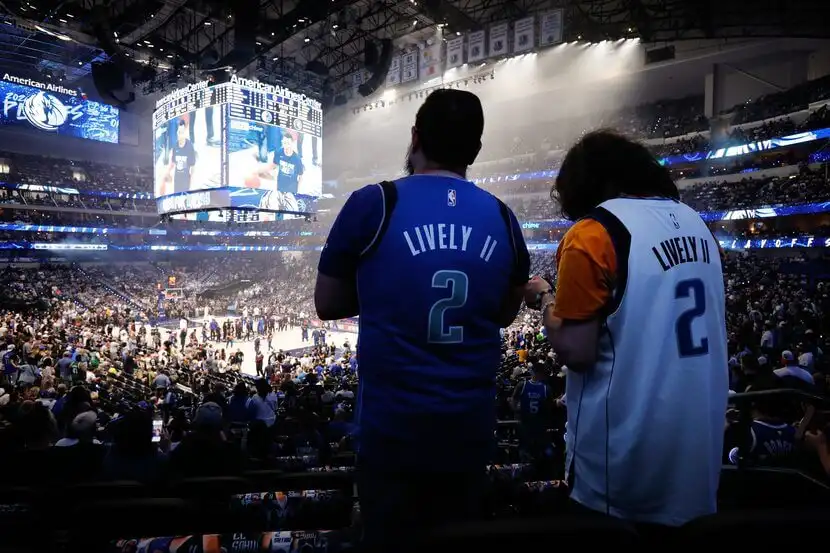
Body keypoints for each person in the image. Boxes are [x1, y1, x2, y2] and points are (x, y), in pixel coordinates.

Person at [314, 89, 529, 552]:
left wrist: (390, 285)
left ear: (414, 138)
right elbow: (506, 313)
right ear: (475, 149)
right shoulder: (504, 219)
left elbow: (327, 303)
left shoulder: (375, 203)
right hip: (469, 434)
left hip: (391, 435)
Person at [524, 130, 728, 529]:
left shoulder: (593, 233)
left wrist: (544, 299)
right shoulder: (699, 225)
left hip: (620, 465)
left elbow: (576, 351)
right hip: (697, 459)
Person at [164, 119, 196, 194]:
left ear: (185, 132)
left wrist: (191, 186)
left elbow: (193, 168)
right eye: (178, 132)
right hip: (177, 181)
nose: (179, 135)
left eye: (181, 132)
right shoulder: (175, 146)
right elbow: (173, 162)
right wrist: (168, 172)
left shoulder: (190, 147)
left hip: (186, 182)